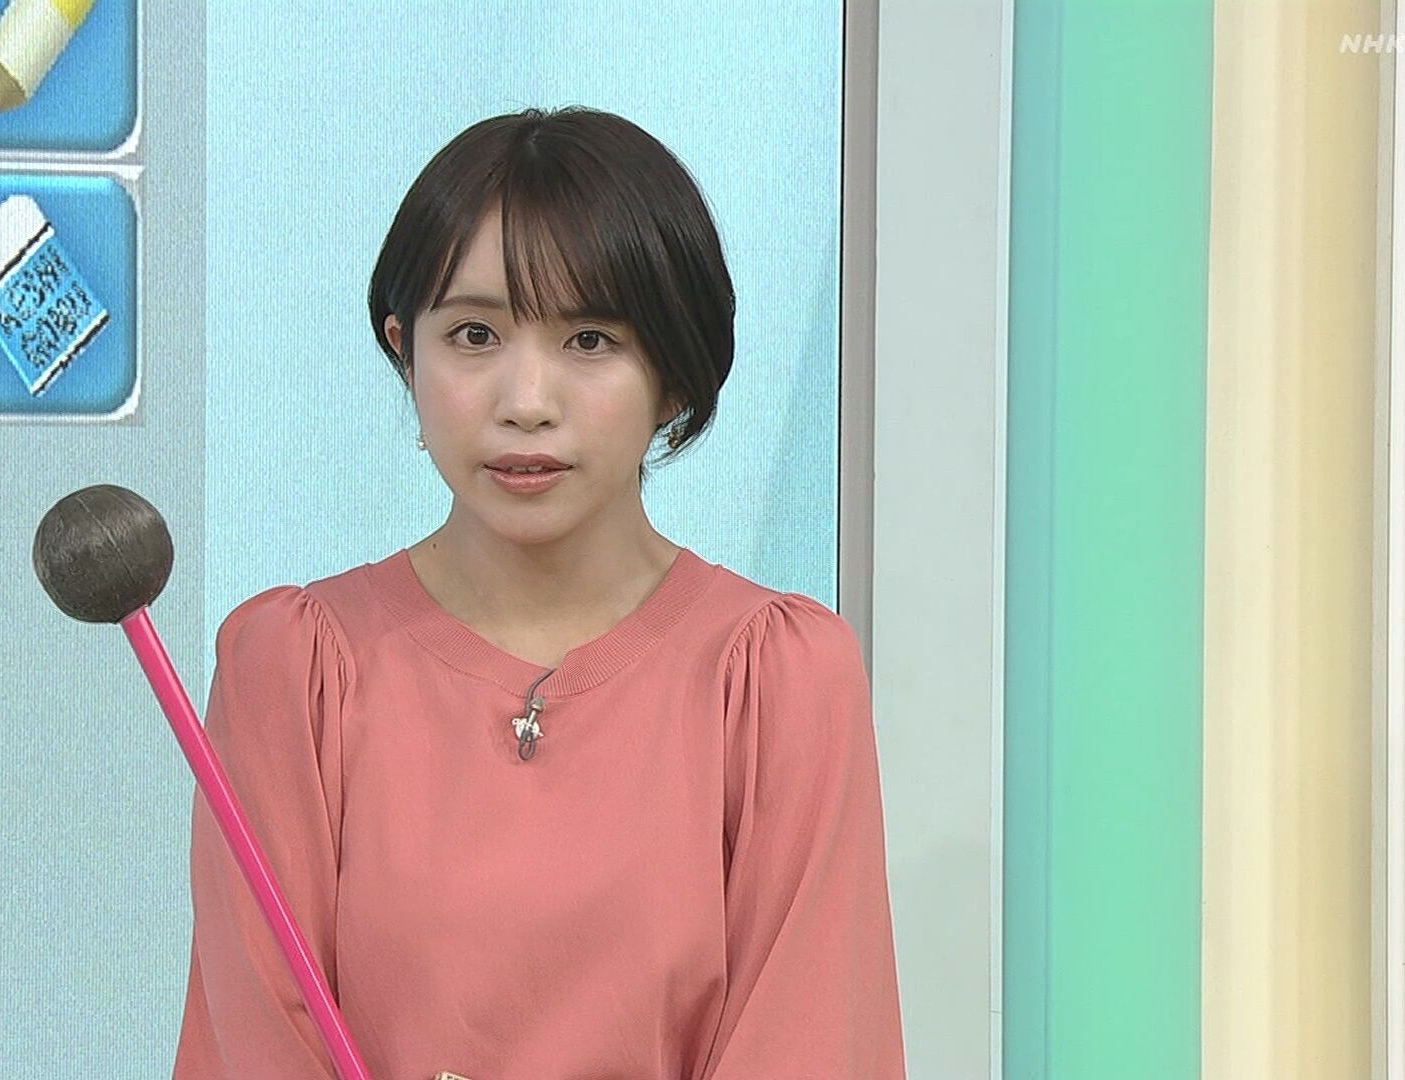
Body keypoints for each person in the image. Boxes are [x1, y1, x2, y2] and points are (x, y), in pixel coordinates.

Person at [174, 106, 904, 1080]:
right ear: (406, 349)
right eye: (474, 334)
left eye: (590, 340)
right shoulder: (294, 671)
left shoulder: (779, 679)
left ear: (675, 374)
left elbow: (810, 1045)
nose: (526, 402)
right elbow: (254, 1044)